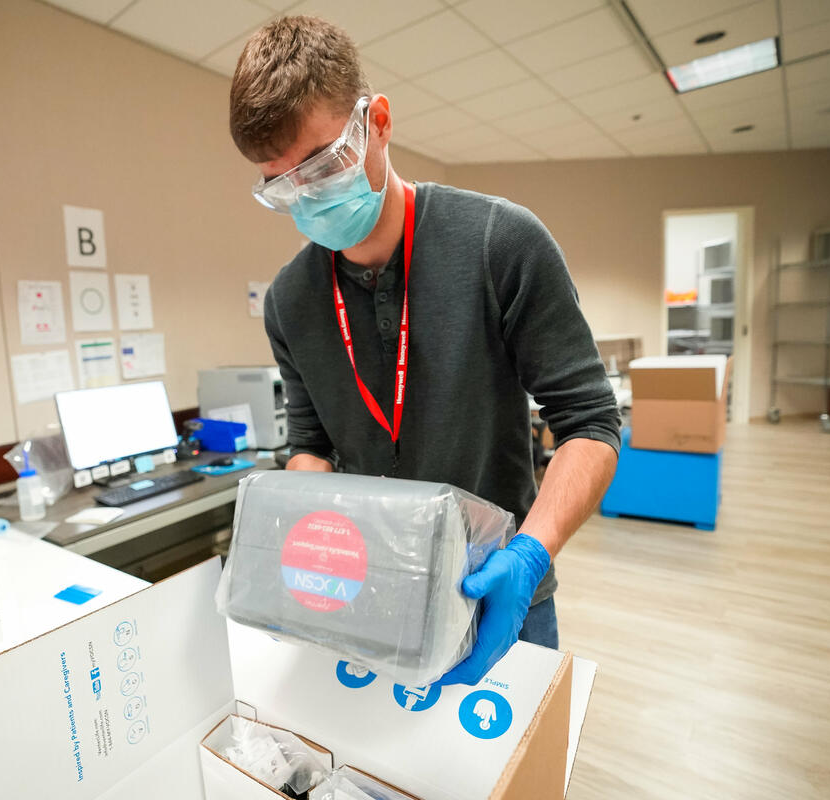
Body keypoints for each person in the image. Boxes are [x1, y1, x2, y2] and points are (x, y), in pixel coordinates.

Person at [228, 16, 620, 686]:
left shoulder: (499, 242)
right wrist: (310, 545)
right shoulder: (292, 301)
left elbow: (591, 424)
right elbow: (311, 443)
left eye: (323, 164)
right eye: (282, 183)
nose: (309, 194)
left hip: (498, 589)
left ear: (376, 121)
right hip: (369, 596)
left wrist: (530, 553)